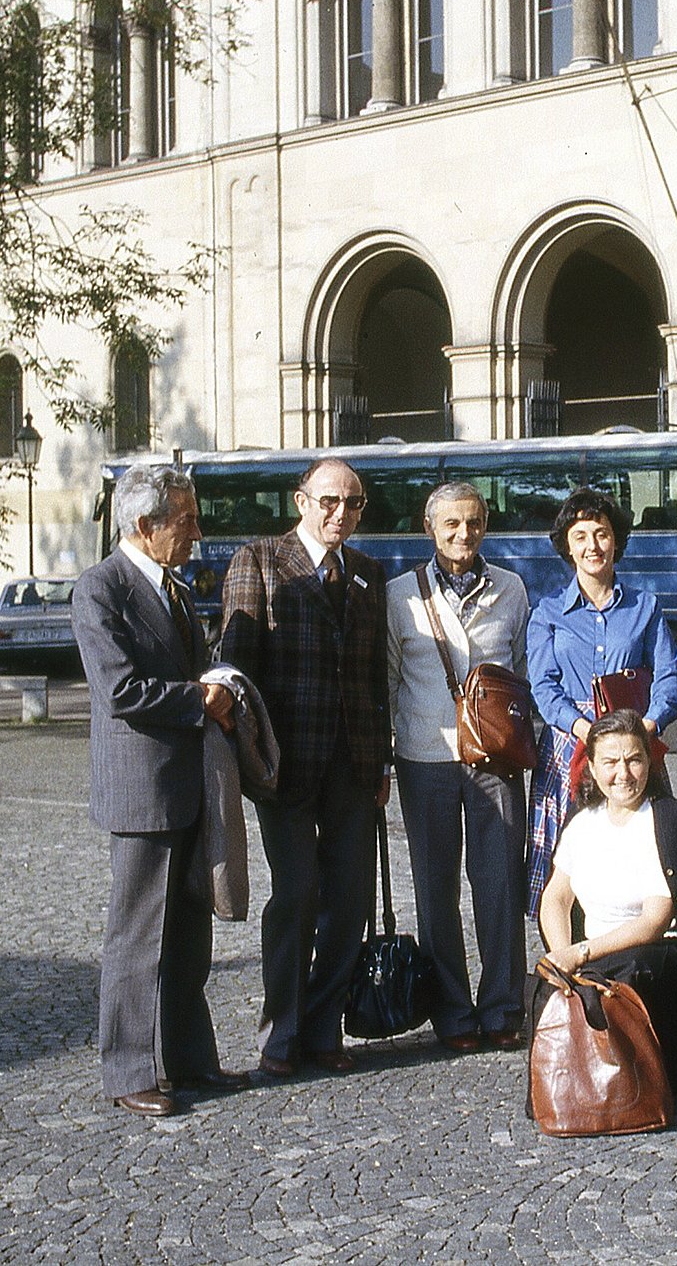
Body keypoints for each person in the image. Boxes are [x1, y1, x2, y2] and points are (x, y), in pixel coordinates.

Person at [71, 463, 248, 1117]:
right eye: (187, 520)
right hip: (140, 789)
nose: (198, 532)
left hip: (185, 784)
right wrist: (200, 697)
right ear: (145, 526)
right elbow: (119, 691)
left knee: (188, 937)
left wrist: (220, 678)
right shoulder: (100, 589)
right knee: (137, 936)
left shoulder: (171, 588)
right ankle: (127, 1072)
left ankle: (192, 1062)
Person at [218, 458, 391, 1078]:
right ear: (301, 500)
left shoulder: (369, 573)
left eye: (352, 503)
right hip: (285, 766)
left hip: (354, 765)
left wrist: (381, 763)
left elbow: (375, 679)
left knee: (348, 902)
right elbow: (236, 671)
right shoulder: (260, 561)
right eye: (328, 501)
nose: (339, 513)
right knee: (294, 896)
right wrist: (247, 761)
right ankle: (280, 1036)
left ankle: (324, 1030)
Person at [386, 481, 531, 1054]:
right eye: (451, 524)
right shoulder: (400, 595)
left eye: (473, 523)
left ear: (485, 525)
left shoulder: (512, 590)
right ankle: (452, 1012)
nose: (463, 534)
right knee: (434, 888)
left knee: (499, 883)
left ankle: (501, 1007)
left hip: (496, 759)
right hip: (426, 757)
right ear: (430, 529)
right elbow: (390, 680)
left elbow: (519, 673)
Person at [535, 711, 677, 1091]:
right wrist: (563, 958)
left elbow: (654, 920)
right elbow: (556, 897)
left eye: (634, 759)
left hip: (654, 955)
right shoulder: (583, 821)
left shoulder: (664, 820)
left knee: (629, 973)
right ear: (591, 766)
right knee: (544, 988)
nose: (623, 774)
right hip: (591, 957)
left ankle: (636, 1085)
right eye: (610, 762)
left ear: (649, 761)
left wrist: (582, 955)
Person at [524, 488, 677, 915]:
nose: (592, 546)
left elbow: (670, 677)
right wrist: (584, 730)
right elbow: (543, 686)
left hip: (633, 744)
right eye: (581, 536)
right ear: (567, 546)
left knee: (640, 854)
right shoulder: (547, 613)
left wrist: (645, 728)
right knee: (568, 858)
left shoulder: (645, 607)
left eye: (602, 534)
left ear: (617, 541)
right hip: (570, 745)